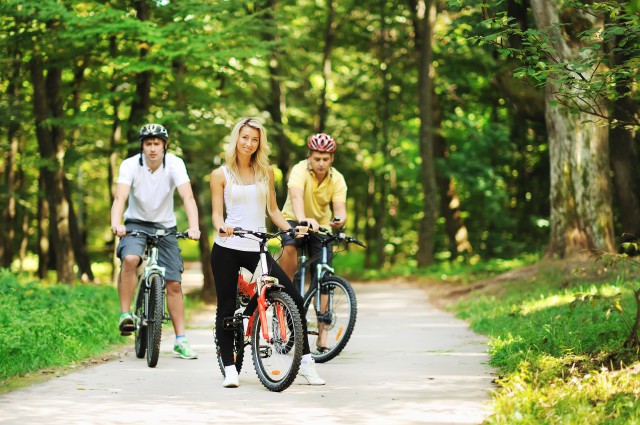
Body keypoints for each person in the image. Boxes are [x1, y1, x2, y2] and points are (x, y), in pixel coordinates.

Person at [210, 117, 325, 388]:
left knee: (293, 298)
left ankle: (306, 362)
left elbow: (273, 210)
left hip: (256, 246)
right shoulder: (220, 174)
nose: (249, 143)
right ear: (236, 138)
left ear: (260, 143)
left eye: (255, 139)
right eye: (245, 137)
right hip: (227, 246)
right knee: (226, 310)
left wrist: (291, 229)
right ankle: (230, 369)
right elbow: (216, 214)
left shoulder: (266, 171)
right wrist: (222, 227)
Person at [111, 123, 201, 360]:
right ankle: (124, 314)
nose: (152, 149)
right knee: (130, 259)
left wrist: (194, 227)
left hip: (165, 226)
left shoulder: (175, 164)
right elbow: (120, 197)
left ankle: (180, 340)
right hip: (135, 224)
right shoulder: (130, 165)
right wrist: (116, 223)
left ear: (164, 146)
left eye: (157, 144)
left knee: (173, 283)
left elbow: (188, 197)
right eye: (148, 144)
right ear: (142, 146)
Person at [278, 132, 347, 353]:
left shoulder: (337, 179)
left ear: (332, 159)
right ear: (309, 156)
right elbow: (296, 198)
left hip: (321, 226)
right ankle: (283, 299)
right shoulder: (299, 170)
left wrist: (340, 221)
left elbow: (340, 210)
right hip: (293, 217)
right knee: (290, 248)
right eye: (317, 158)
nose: (321, 163)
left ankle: (323, 333)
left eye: (325, 159)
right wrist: (302, 220)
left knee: (324, 276)